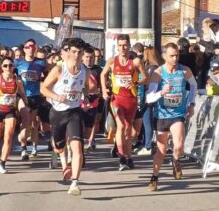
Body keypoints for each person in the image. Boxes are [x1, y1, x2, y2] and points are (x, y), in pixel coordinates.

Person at [40, 38, 92, 196]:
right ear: (68, 53)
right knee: (59, 145)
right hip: (58, 113)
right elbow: (44, 89)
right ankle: (60, 156)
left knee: (77, 148)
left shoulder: (85, 71)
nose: (76, 55)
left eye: (79, 52)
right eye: (74, 52)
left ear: (83, 53)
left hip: (74, 112)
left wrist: (86, 97)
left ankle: (74, 183)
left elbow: (84, 88)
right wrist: (56, 97)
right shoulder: (59, 69)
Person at [146, 43, 197, 191]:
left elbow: (193, 86)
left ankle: (175, 160)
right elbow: (149, 98)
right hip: (161, 115)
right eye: (171, 56)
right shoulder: (158, 73)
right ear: (164, 56)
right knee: (161, 151)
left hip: (178, 114)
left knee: (179, 145)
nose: (175, 59)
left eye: (177, 55)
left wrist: (191, 103)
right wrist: (161, 92)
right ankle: (154, 178)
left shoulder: (184, 71)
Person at [100, 34, 147, 171]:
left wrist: (135, 82)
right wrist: (104, 90)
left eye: (125, 45)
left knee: (128, 131)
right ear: (117, 46)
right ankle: (121, 158)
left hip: (131, 100)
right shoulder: (112, 61)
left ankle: (129, 157)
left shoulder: (136, 61)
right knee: (120, 126)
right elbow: (103, 74)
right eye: (120, 45)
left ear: (129, 45)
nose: (123, 48)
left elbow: (146, 78)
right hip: (117, 100)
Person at [0, 57, 28, 173]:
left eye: (10, 65)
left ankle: (2, 163)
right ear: (1, 67)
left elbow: (22, 93)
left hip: (10, 111)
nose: (8, 68)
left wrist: (26, 104)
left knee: (8, 136)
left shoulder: (17, 81)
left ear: (13, 67)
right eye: (5, 66)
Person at [15, 38, 47, 160]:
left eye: (33, 47)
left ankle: (34, 146)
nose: (31, 49)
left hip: (36, 96)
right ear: (24, 49)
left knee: (34, 124)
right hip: (23, 96)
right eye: (28, 47)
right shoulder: (17, 62)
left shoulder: (40, 63)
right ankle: (23, 149)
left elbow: (48, 76)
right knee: (26, 121)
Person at [81, 46, 102, 152]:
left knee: (92, 123)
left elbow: (102, 85)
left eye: (92, 57)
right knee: (79, 125)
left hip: (93, 102)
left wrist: (99, 94)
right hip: (78, 102)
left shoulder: (98, 70)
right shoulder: (78, 68)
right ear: (82, 57)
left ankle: (90, 140)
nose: (89, 59)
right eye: (87, 57)